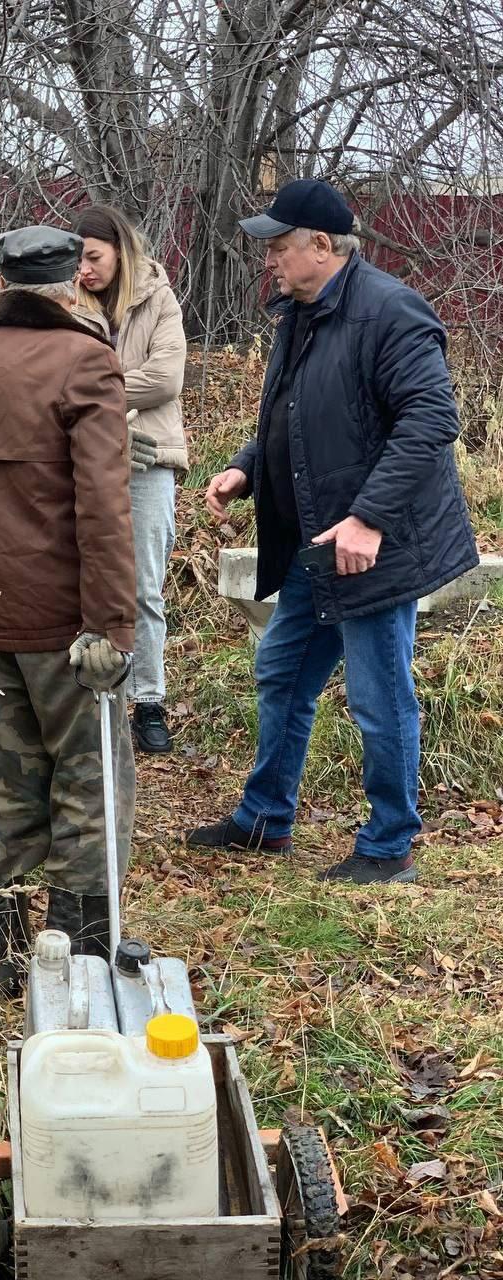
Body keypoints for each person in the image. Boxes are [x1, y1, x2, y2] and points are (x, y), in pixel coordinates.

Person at [187, 178, 479, 885]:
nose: (270, 261)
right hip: (315, 546)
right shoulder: (301, 314)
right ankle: (265, 820)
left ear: (322, 245)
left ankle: (389, 848)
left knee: (380, 700)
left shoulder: (391, 311)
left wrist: (369, 518)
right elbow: (294, 418)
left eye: (280, 246)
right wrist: (246, 468)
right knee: (282, 675)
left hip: (374, 548)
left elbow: (431, 422)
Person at [0, 225, 137, 993]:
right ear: (72, 287)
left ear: (1, 285)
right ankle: (82, 965)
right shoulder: (85, 361)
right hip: (64, 623)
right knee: (86, 788)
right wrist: (112, 624)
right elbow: (105, 511)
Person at [72, 205, 188, 755]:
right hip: (81, 460)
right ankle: (91, 693)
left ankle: (148, 702)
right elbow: (56, 380)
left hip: (151, 459)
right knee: (81, 575)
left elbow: (166, 379)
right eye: (77, 258)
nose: (85, 268)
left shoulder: (159, 298)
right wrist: (112, 392)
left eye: (94, 256)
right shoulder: (69, 305)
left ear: (120, 249)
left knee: (142, 585)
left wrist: (96, 392)